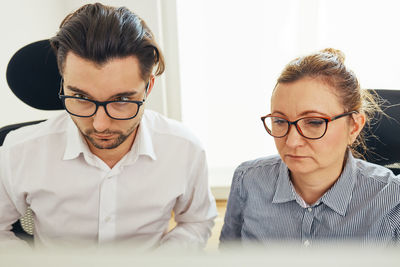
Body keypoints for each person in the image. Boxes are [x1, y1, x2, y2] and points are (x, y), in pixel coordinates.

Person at [0, 3, 217, 249]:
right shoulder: (19, 151)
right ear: (63, 85)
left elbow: (198, 221)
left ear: (148, 88)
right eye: (81, 98)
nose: (100, 125)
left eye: (122, 100)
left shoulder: (184, 148)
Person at [220, 48, 400, 246]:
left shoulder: (391, 200)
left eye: (314, 122)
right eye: (280, 121)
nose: (291, 142)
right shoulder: (247, 180)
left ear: (354, 126)